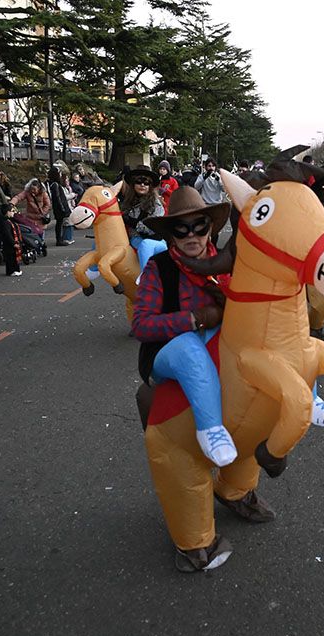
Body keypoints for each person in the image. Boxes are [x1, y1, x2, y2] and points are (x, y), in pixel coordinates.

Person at [132, 186, 236, 469]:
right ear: (170, 235)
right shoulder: (159, 267)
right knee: (190, 348)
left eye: (198, 226)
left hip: (221, 346)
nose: (191, 235)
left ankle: (240, 487)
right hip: (169, 353)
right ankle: (211, 432)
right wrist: (195, 318)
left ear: (210, 227)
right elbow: (141, 325)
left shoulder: (228, 264)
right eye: (181, 229)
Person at [123, 165, 168, 272]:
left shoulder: (156, 204)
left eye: (146, 182)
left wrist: (134, 223)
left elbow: (154, 226)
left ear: (150, 186)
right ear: (133, 184)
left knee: (145, 245)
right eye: (139, 181)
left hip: (156, 240)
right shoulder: (127, 203)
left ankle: (146, 277)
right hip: (135, 239)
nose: (142, 185)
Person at [47, 166, 74, 246]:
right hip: (59, 208)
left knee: (60, 223)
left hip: (59, 207)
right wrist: (62, 208)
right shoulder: (55, 185)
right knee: (59, 224)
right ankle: (59, 239)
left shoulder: (55, 184)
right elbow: (58, 198)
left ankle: (60, 239)